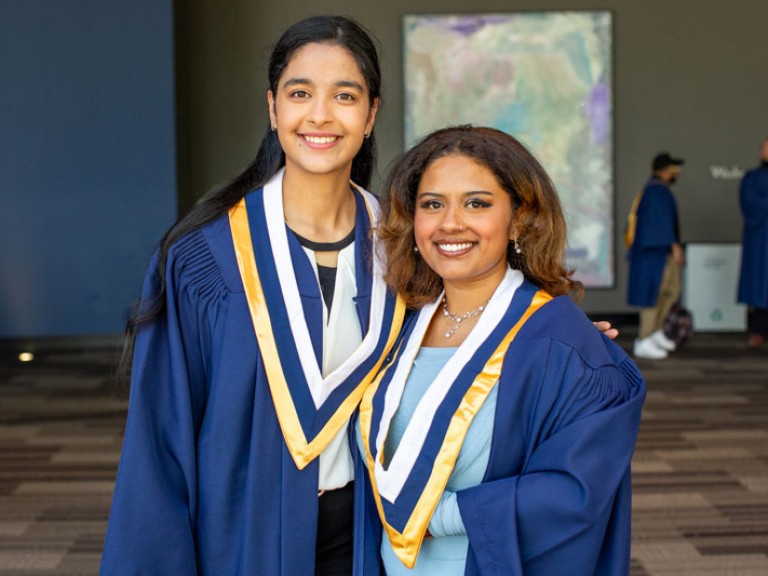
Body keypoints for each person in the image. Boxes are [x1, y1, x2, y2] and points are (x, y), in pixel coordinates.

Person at [100, 15, 407, 575]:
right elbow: (160, 446)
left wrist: (564, 336)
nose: (320, 115)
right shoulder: (203, 259)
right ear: (273, 109)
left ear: (371, 114)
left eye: (345, 95)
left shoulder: (405, 251)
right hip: (242, 538)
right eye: (300, 93)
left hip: (368, 537)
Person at [356, 126, 646, 575]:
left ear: (518, 219)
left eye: (477, 203)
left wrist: (437, 517)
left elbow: (575, 492)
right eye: (432, 204)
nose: (451, 223)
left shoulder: (559, 344)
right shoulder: (395, 329)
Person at [627, 152, 685, 360]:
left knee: (671, 290)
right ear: (665, 170)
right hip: (655, 254)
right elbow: (659, 226)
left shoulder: (656, 190)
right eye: (674, 169)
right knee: (653, 294)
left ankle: (655, 332)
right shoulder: (655, 192)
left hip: (661, 253)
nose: (676, 173)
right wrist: (675, 246)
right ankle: (644, 338)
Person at [737, 138, 768, 347]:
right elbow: (750, 204)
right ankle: (759, 331)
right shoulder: (752, 178)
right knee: (761, 285)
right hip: (761, 240)